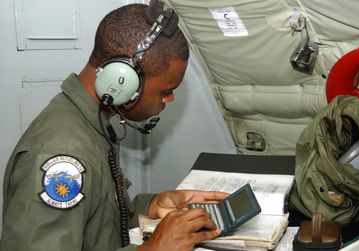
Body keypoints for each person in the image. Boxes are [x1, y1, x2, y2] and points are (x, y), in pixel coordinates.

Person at [0, 2, 228, 251]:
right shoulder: (62, 156)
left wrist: (153, 206)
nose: (169, 99)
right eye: (166, 90)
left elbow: (99, 223)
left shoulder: (90, 123)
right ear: (123, 80)